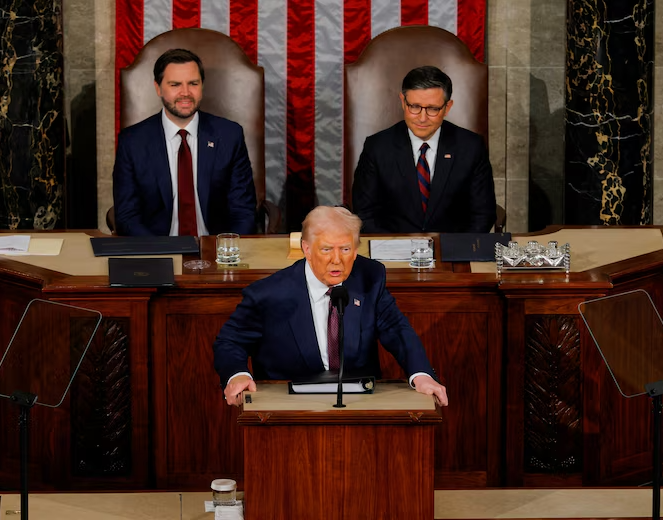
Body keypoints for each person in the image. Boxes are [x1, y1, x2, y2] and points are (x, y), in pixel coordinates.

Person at [213, 206, 448, 406]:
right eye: (326, 249)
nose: (337, 259)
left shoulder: (370, 278)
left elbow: (397, 330)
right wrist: (237, 374)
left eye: (345, 249)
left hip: (360, 403)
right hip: (289, 405)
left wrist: (421, 374)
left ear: (355, 250)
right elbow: (230, 341)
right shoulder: (268, 293)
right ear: (306, 248)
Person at [112, 48, 257, 237]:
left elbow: (243, 211)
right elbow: (127, 216)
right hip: (157, 252)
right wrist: (159, 253)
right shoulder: (132, 142)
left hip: (217, 252)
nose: (186, 93)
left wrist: (225, 252)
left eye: (193, 83)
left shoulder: (229, 136)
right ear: (158, 88)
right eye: (175, 85)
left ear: (202, 86)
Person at [352, 65, 496, 234]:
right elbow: (364, 213)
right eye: (414, 106)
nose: (422, 118)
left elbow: (482, 214)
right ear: (403, 102)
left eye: (433, 109)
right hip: (392, 249)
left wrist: (459, 250)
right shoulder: (377, 147)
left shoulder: (471, 146)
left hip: (452, 250)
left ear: (447, 107)